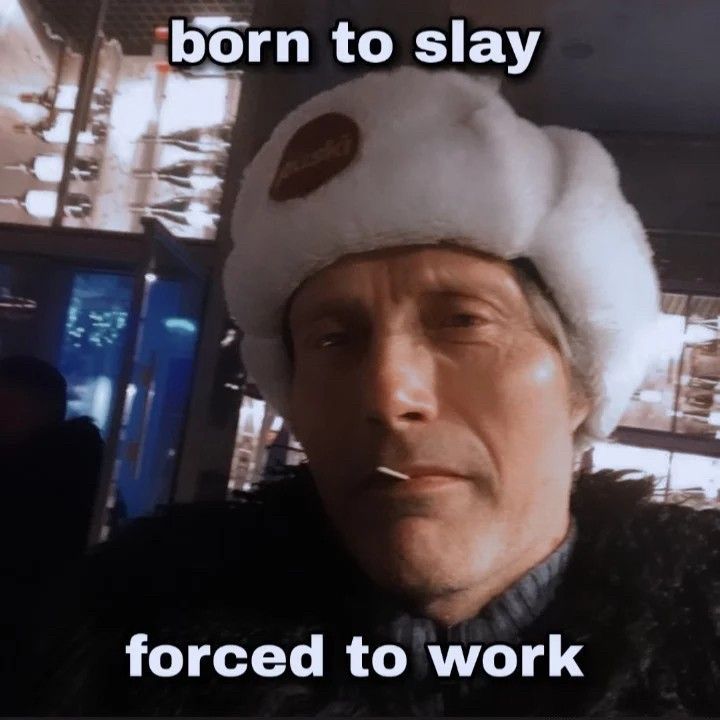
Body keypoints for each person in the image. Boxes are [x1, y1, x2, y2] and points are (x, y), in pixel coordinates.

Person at [16, 69, 720, 716]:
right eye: (333, 339)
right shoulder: (120, 656)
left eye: (464, 322)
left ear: (581, 385)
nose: (388, 394)